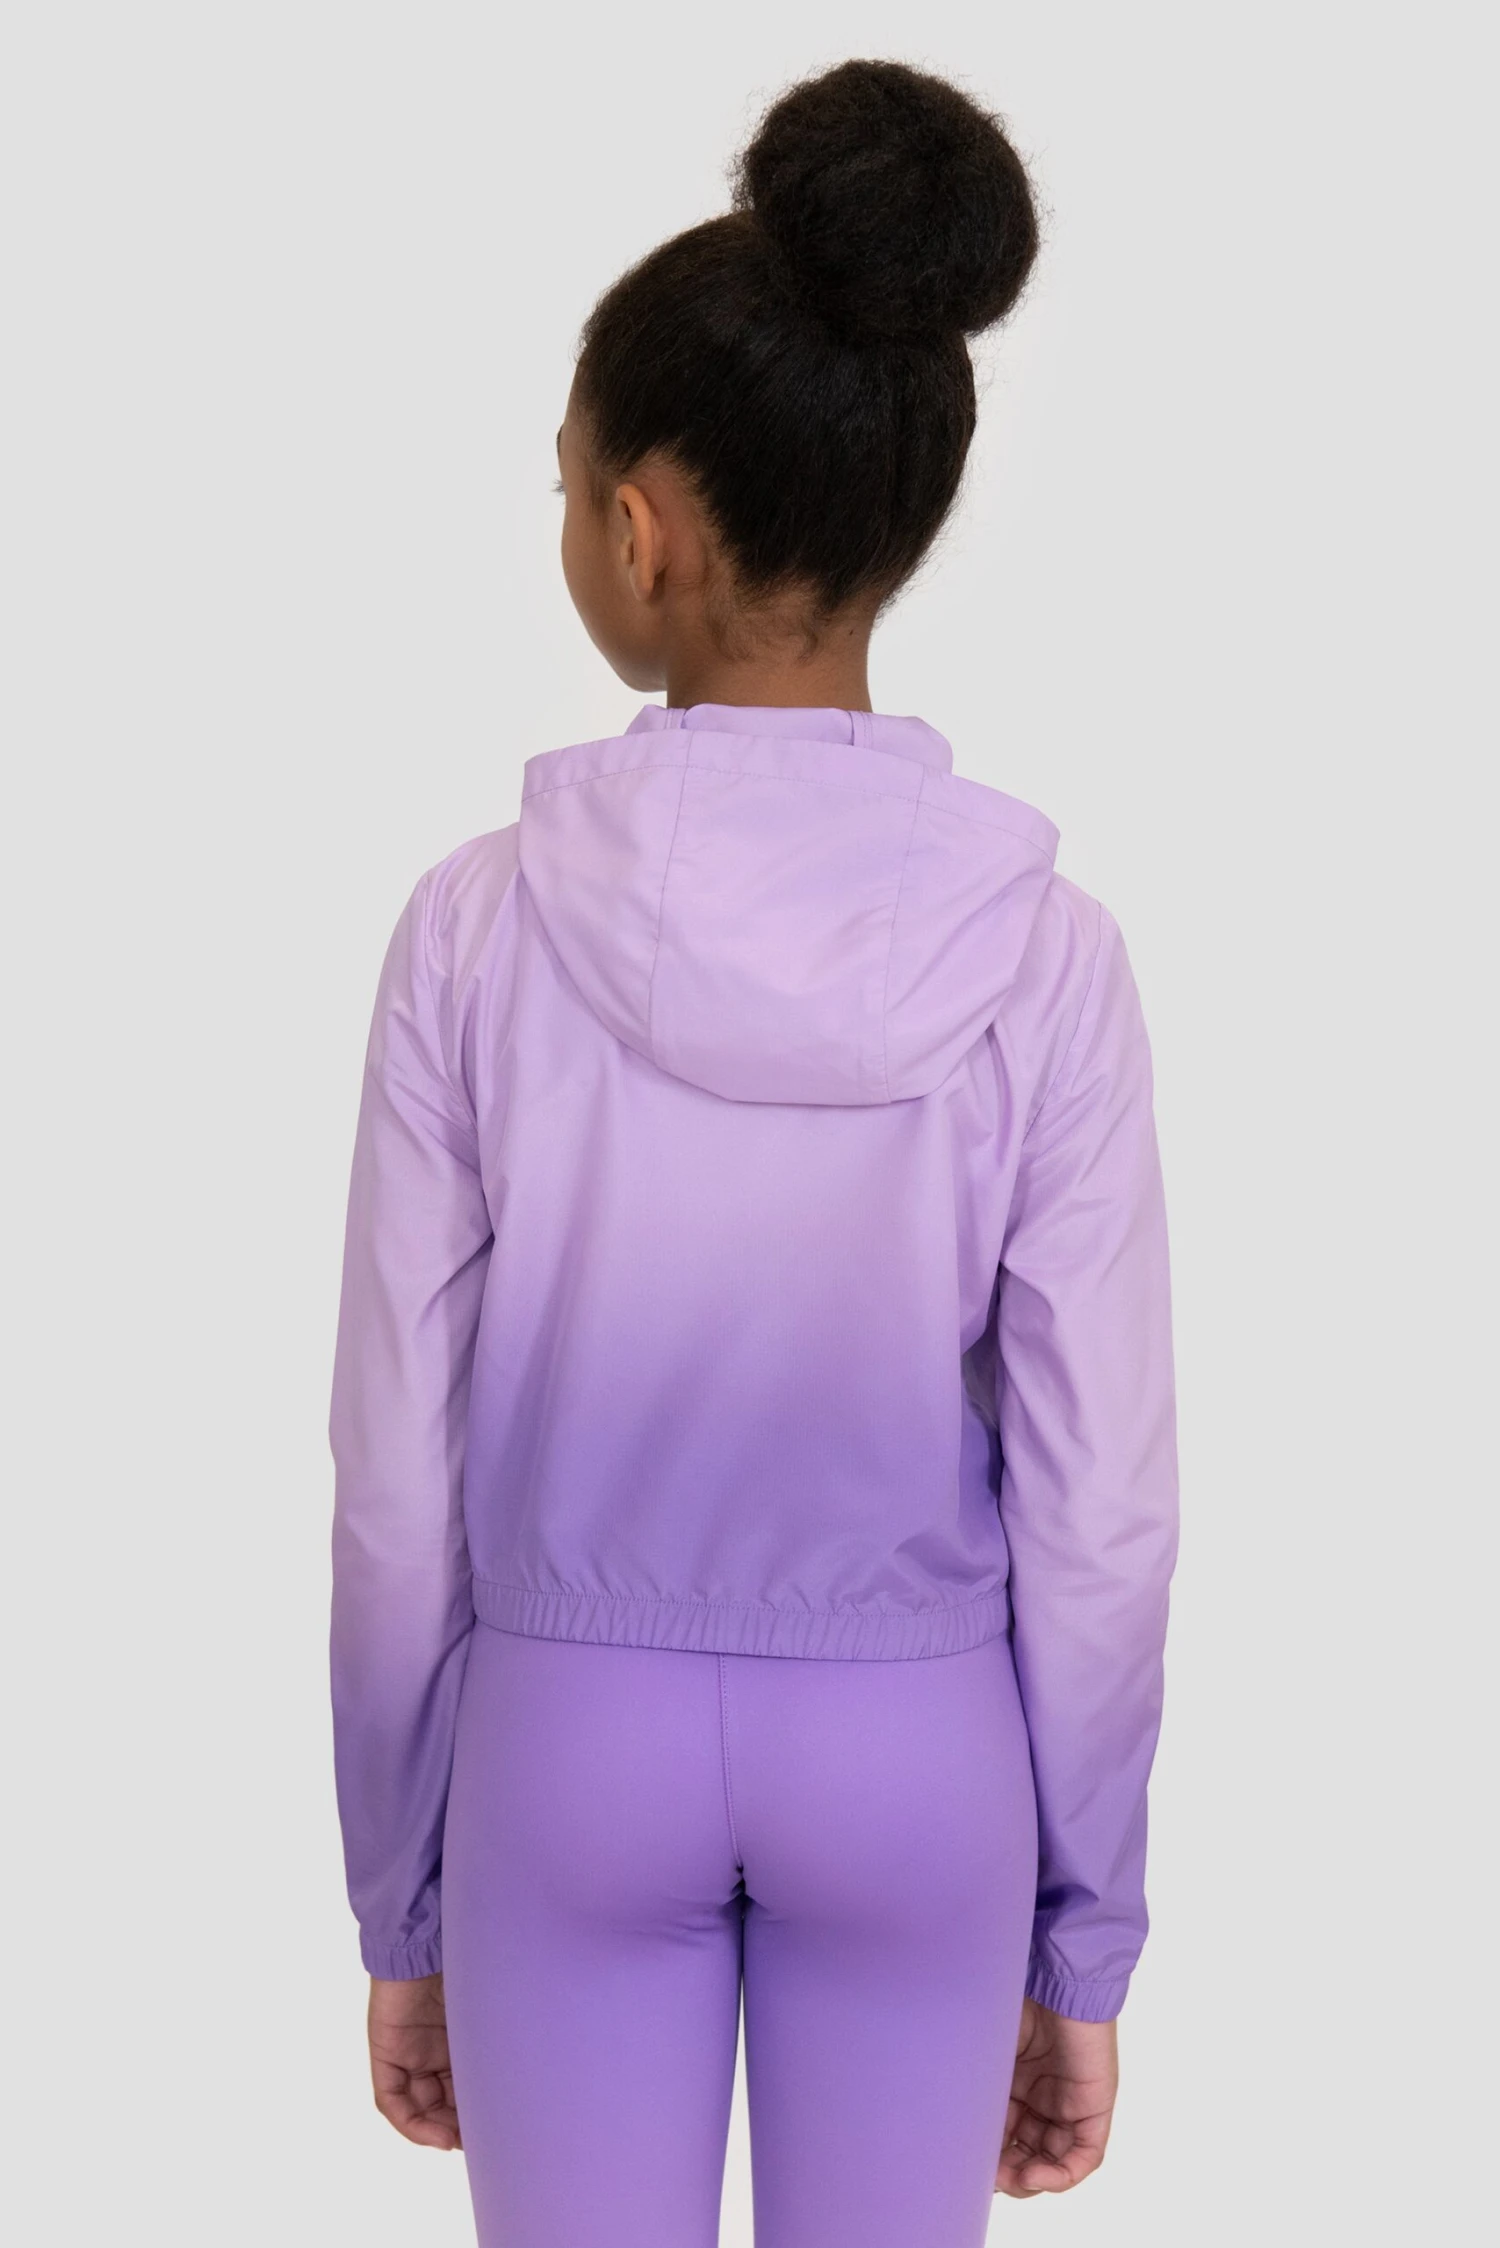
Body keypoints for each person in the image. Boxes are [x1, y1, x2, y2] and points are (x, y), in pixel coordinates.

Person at [328, 55, 1178, 2248]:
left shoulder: (474, 929)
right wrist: (1082, 1937)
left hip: (563, 1751)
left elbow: (395, 1482)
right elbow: (1101, 1514)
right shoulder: (1048, 958)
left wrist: (401, 1893)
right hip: (918, 1764)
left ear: (640, 532)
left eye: (563, 488)